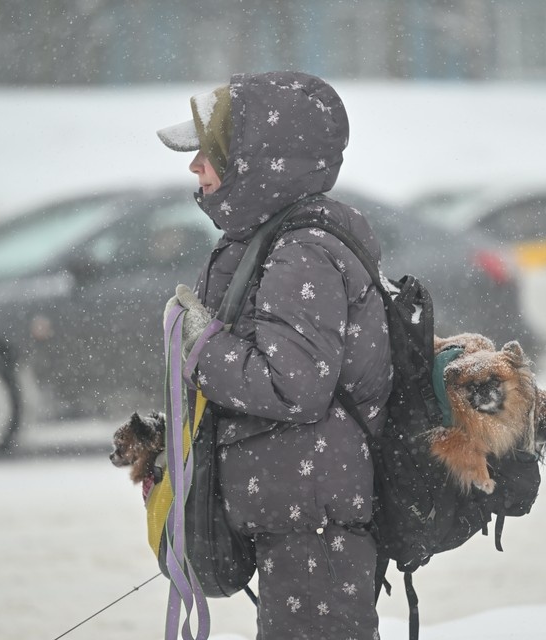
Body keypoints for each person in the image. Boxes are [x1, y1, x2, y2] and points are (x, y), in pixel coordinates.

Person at [156, 71, 390, 639]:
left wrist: (200, 344)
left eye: (210, 154)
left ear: (255, 162)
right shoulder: (271, 237)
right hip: (300, 510)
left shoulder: (301, 249)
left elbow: (293, 385)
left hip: (315, 520)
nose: (195, 168)